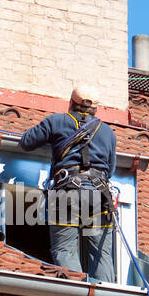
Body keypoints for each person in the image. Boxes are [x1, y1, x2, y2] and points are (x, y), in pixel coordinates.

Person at [18, 82, 117, 281]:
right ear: (95, 109)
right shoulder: (107, 132)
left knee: (65, 249)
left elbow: (26, 142)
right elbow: (111, 170)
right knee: (101, 254)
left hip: (67, 191)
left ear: (70, 103)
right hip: (98, 195)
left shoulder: (56, 122)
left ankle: (75, 292)